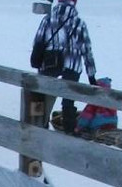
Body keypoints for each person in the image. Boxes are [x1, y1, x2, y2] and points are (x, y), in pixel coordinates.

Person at [30, 0, 98, 135]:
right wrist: (91, 75)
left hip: (50, 64)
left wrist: (37, 60)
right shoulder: (79, 23)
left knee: (43, 97)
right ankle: (69, 130)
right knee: (68, 100)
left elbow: (38, 41)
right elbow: (87, 51)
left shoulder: (47, 20)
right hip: (72, 65)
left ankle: (39, 128)